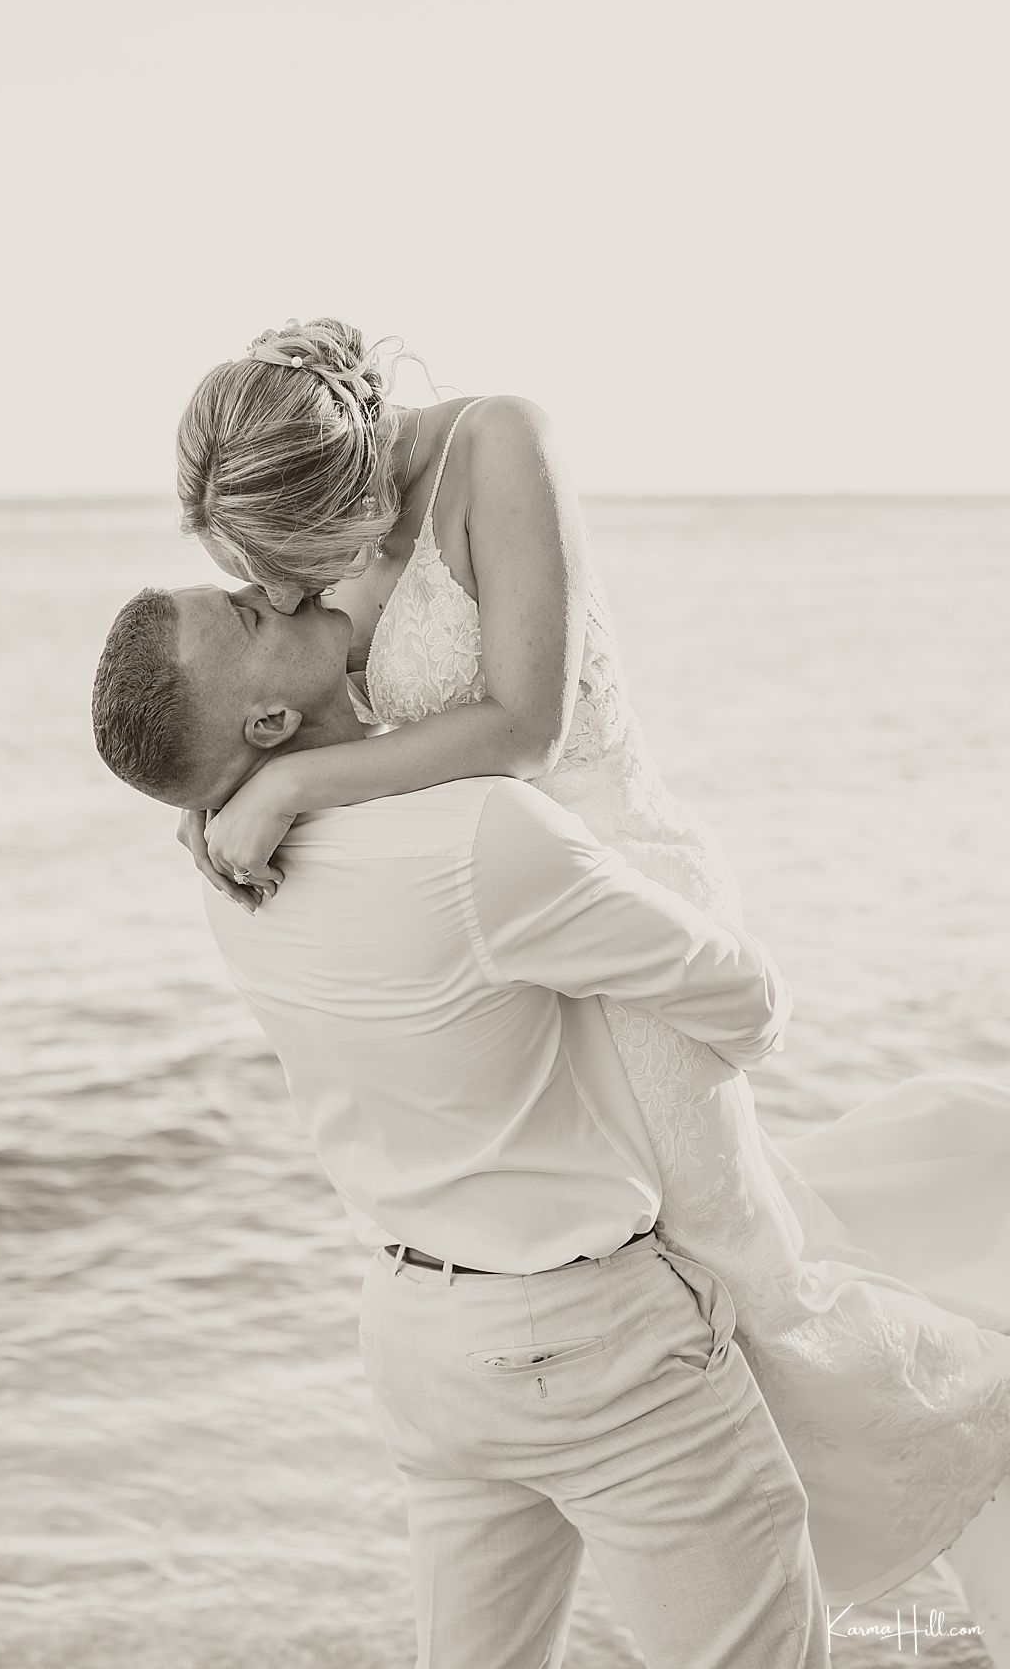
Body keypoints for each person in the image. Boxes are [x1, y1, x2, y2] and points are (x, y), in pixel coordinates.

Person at [165, 317, 1010, 1648]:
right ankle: (741, 1548)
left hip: (613, 896)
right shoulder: (322, 535)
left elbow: (522, 724)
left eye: (296, 566)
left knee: (737, 1269)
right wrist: (215, 797)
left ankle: (947, 1459)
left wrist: (293, 781)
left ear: (345, 482)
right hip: (506, 947)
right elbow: (290, 702)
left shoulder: (501, 440)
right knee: (641, 1276)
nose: (290, 598)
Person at [92, 578, 830, 1669]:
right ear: (265, 724)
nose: (266, 586)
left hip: (417, 1341)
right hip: (596, 1348)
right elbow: (752, 1006)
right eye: (245, 617)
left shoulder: (225, 872)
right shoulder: (481, 836)